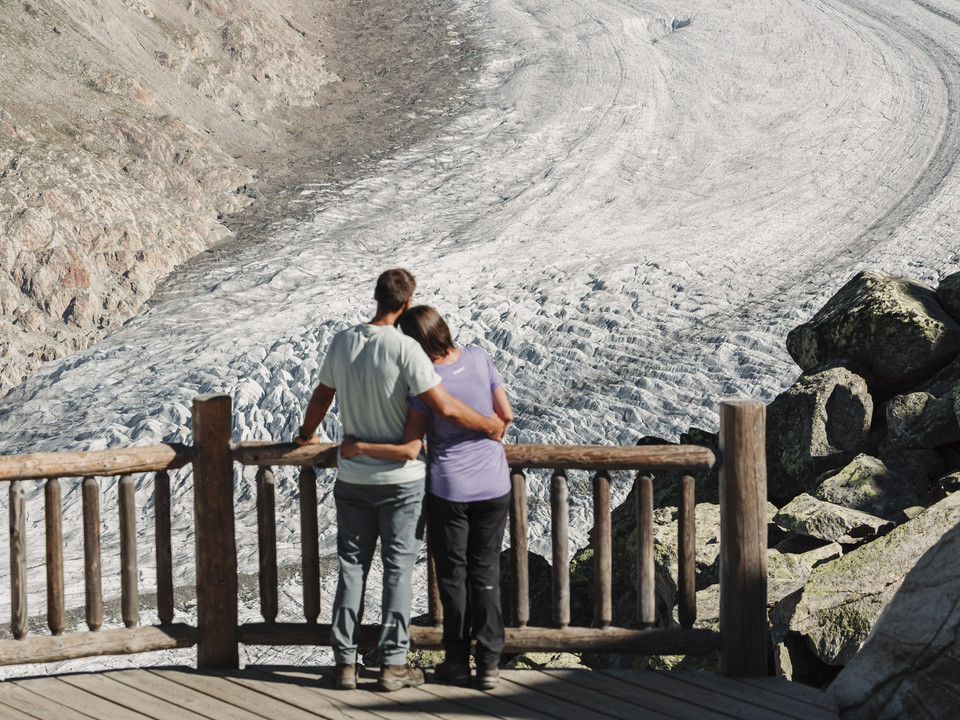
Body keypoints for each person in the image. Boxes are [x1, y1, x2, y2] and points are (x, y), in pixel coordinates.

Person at [295, 270, 505, 692]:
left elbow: (321, 395)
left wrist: (306, 434)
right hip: (403, 482)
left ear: (374, 297)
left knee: (351, 569)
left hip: (353, 478)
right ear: (407, 303)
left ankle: (344, 665)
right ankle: (393, 666)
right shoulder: (409, 349)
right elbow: (444, 405)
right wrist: (491, 425)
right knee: (398, 571)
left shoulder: (342, 341)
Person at [341, 305, 513, 690]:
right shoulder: (480, 357)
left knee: (453, 576)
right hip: (494, 483)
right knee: (486, 572)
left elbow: (409, 448)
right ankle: (489, 664)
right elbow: (506, 415)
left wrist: (359, 446)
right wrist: (486, 427)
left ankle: (457, 662)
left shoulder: (423, 382)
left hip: (450, 489)